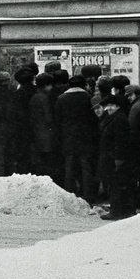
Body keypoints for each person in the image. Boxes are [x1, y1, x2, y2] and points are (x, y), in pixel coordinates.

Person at [54, 75, 97, 203]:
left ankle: (69, 194)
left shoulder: (61, 98)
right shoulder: (88, 98)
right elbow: (93, 118)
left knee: (69, 166)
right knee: (86, 166)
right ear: (83, 85)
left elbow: (57, 120)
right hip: (85, 137)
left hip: (68, 137)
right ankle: (89, 195)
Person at [98, 95, 135, 220]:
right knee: (116, 184)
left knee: (116, 184)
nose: (108, 108)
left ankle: (117, 211)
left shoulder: (119, 119)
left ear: (117, 106)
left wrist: (118, 159)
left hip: (115, 157)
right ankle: (122, 210)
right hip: (112, 156)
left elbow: (120, 141)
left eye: (110, 106)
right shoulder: (114, 117)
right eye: (107, 106)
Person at [29, 73, 56, 177]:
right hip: (45, 134)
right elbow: (48, 117)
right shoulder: (44, 98)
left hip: (37, 132)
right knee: (47, 161)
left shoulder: (35, 96)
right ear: (46, 85)